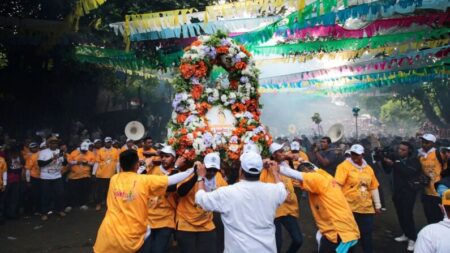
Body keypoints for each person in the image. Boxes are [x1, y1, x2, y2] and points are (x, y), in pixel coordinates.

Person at [93, 149, 194, 253]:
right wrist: (193, 170)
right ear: (137, 165)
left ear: (121, 165)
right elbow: (171, 180)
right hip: (131, 238)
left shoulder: (114, 179)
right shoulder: (144, 180)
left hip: (108, 235)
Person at [195, 151, 288, 253]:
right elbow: (282, 189)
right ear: (261, 171)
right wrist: (275, 173)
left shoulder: (227, 192)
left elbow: (200, 199)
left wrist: (200, 177)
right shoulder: (273, 191)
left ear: (241, 171)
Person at [279, 161, 360, 253]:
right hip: (349, 229)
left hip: (336, 232)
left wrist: (276, 168)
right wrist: (301, 160)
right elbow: (315, 168)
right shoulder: (326, 176)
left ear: (306, 170)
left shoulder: (316, 178)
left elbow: (295, 174)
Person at [176, 152, 228, 253]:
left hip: (206, 223)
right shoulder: (191, 172)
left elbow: (224, 198)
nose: (212, 172)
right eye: (209, 169)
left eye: (215, 170)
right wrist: (197, 176)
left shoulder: (219, 178)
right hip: (186, 222)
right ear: (203, 166)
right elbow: (180, 192)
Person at [335, 144, 381, 253]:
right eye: (352, 154)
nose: (354, 157)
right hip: (349, 208)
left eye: (357, 155)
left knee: (367, 235)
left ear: (363, 155)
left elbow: (374, 187)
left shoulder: (368, 169)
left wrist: (378, 205)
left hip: (366, 208)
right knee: (349, 236)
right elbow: (337, 186)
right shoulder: (343, 166)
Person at [262, 143, 303, 253]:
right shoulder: (268, 165)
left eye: (282, 150)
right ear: (273, 154)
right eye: (279, 151)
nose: (283, 153)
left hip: (289, 209)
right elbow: (263, 162)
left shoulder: (286, 164)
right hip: (274, 211)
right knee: (277, 244)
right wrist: (267, 162)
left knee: (298, 240)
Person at [382, 141, 420, 251]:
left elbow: (407, 172)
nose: (400, 151)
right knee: (400, 214)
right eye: (399, 149)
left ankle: (412, 238)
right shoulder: (396, 160)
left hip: (409, 193)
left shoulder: (414, 160)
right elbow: (387, 170)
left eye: (403, 150)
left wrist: (394, 163)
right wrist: (384, 161)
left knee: (407, 215)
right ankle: (405, 234)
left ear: (409, 151)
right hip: (397, 192)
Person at [143, 145, 181, 253]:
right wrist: (151, 159)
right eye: (162, 156)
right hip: (148, 217)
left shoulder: (178, 173)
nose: (164, 158)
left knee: (158, 250)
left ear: (174, 158)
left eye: (167, 156)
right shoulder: (151, 168)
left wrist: (177, 167)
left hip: (166, 218)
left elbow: (171, 188)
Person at [38, 136, 67, 221]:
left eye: (55, 143)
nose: (54, 144)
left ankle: (59, 210)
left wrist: (64, 156)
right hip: (46, 177)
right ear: (49, 144)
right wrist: (52, 159)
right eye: (52, 143)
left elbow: (65, 163)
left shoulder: (59, 151)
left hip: (57, 176)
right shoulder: (43, 152)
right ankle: (44, 213)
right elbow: (40, 164)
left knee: (60, 193)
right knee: (45, 195)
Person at [418, 134, 445, 224]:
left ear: (433, 143)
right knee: (429, 216)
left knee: (440, 217)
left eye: (427, 142)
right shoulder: (420, 155)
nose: (424, 144)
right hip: (426, 192)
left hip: (439, 193)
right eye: (422, 142)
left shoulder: (439, 154)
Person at [66, 141, 95, 211]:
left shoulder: (91, 153)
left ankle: (83, 204)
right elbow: (69, 161)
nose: (84, 151)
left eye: (85, 150)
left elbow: (93, 163)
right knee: (72, 191)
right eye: (83, 150)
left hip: (85, 175)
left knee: (84, 191)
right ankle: (71, 205)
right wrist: (76, 162)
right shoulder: (74, 152)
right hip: (74, 175)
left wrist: (87, 162)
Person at [93, 137, 119, 211]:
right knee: (100, 190)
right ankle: (98, 204)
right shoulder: (100, 150)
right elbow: (97, 162)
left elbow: (117, 162)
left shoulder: (115, 150)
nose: (109, 143)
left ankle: (109, 204)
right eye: (107, 142)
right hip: (101, 174)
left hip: (111, 174)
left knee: (110, 190)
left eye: (110, 142)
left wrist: (118, 172)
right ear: (105, 142)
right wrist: (93, 173)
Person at [4, 146, 25, 219]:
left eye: (16, 153)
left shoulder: (21, 158)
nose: (15, 155)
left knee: (15, 197)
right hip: (8, 180)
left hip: (17, 180)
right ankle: (6, 213)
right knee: (7, 197)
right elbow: (5, 170)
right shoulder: (7, 159)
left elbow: (23, 167)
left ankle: (12, 213)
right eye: (13, 154)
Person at [24, 142, 41, 215]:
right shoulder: (30, 157)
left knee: (40, 195)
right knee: (33, 195)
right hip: (34, 178)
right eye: (32, 148)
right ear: (30, 149)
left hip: (42, 177)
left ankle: (39, 209)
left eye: (35, 147)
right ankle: (30, 211)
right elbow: (27, 170)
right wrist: (28, 181)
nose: (34, 149)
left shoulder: (41, 154)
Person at [0, 155, 6, 224]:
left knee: (1, 203)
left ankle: (1, 218)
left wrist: (4, 184)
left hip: (0, 185)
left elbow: (4, 172)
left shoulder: (2, 160)